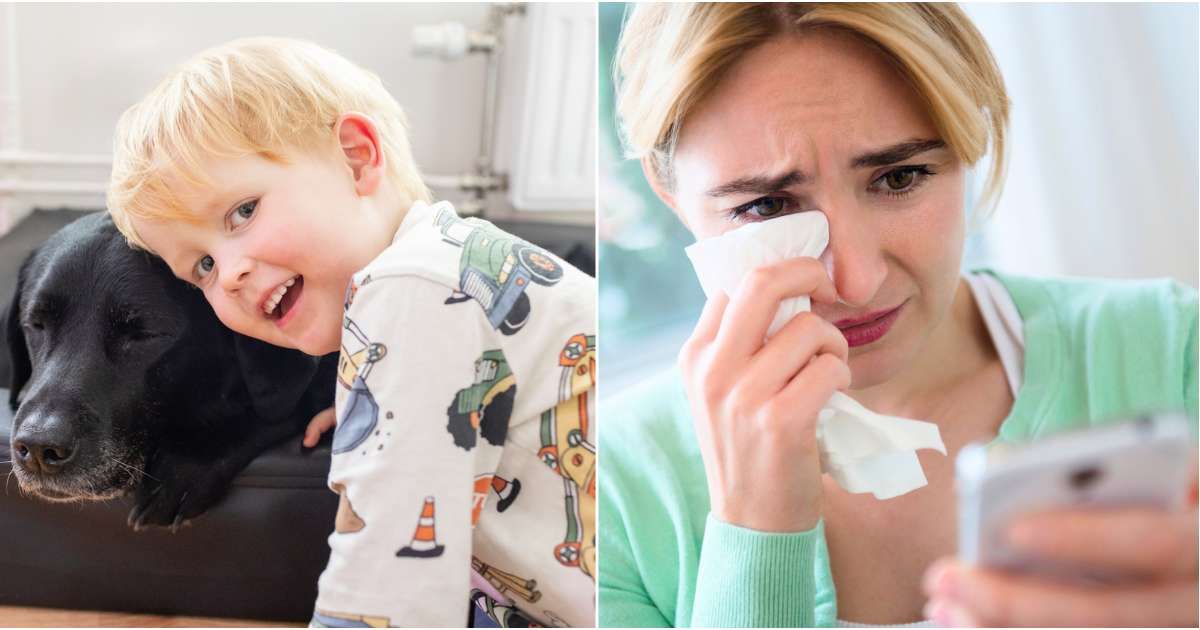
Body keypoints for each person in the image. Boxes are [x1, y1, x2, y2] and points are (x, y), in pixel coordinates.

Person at [600, 3, 1198, 627]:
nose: (855, 283)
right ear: (670, 193)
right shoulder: (605, 488)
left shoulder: (1172, 348)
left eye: (900, 177)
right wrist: (754, 526)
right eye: (768, 207)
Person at [106, 37, 596, 628]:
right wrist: (392, 399)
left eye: (242, 212)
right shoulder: (448, 267)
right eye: (202, 266)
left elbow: (389, 579)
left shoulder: (411, 288)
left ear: (357, 158)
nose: (229, 274)